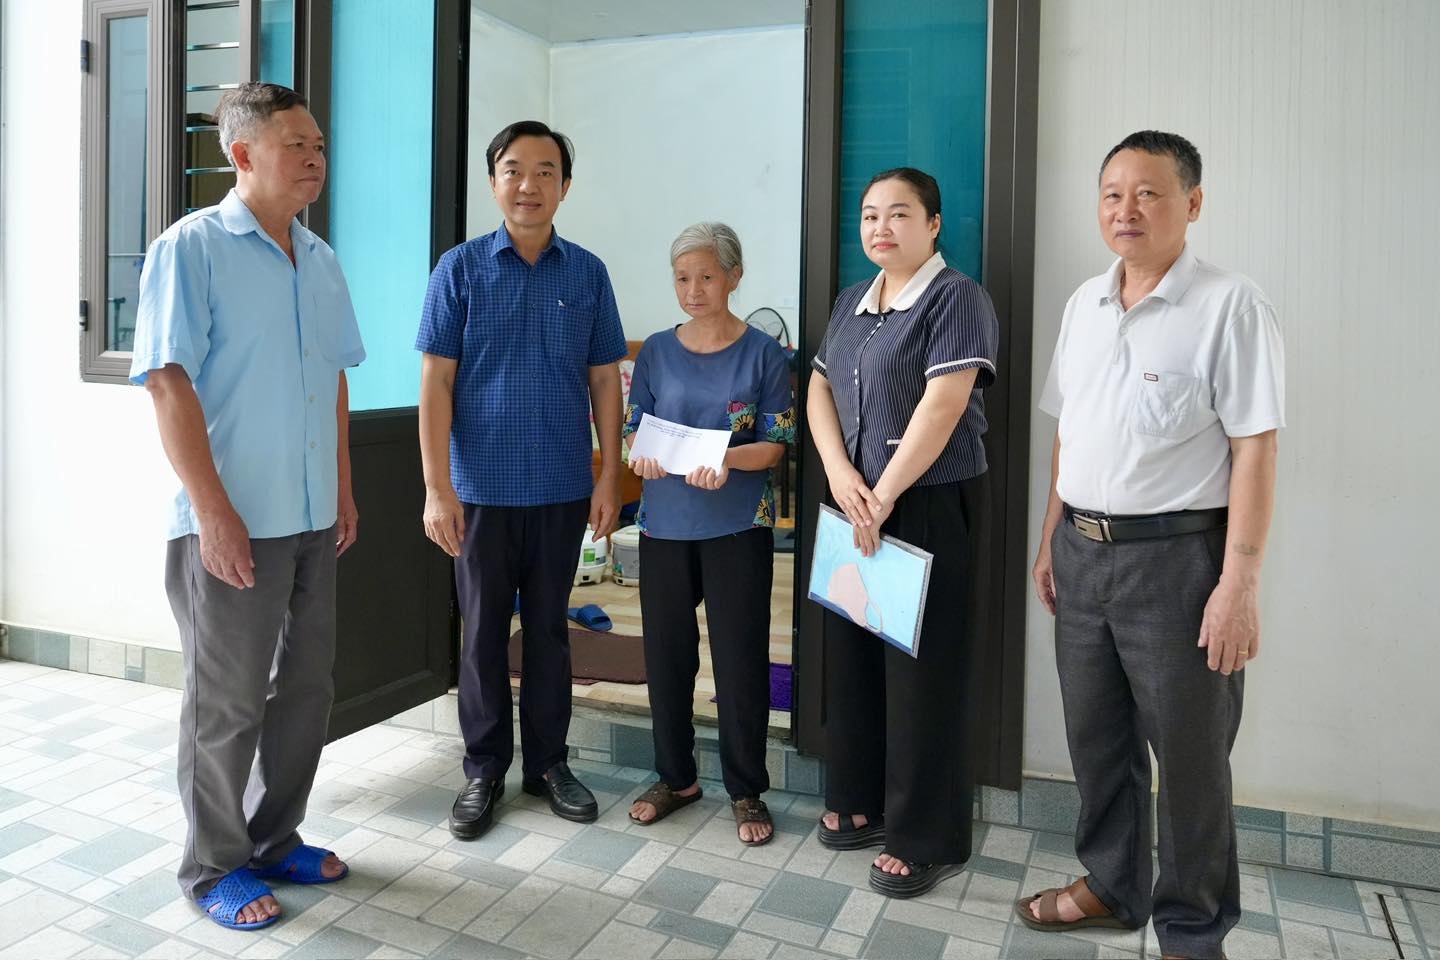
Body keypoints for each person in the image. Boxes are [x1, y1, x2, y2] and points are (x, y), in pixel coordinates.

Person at [1020, 131, 1283, 960]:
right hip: (1082, 552)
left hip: (1179, 564)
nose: (1125, 210)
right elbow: (1070, 435)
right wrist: (1051, 536)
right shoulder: (1084, 304)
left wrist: (1239, 584)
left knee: (1192, 760)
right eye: (1111, 194)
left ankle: (1194, 930)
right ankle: (1111, 884)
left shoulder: (1231, 306)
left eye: (1147, 193)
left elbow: (1255, 449)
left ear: (1192, 204)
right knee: (1096, 738)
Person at [130, 82, 363, 930]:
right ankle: (212, 866)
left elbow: (332, 380)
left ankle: (274, 838)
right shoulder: (192, 248)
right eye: (296, 144)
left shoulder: (321, 258)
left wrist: (342, 487)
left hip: (310, 518)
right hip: (231, 520)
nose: (314, 159)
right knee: (225, 704)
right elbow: (167, 382)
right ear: (242, 154)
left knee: (305, 690)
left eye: (319, 145)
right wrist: (213, 512)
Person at [417, 120, 626, 840]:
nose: (528, 184)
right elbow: (436, 381)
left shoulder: (588, 273)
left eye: (545, 172)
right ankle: (483, 770)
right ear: (493, 182)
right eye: (513, 170)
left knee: (549, 632)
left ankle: (548, 765)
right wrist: (436, 487)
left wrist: (609, 476)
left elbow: (605, 381)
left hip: (563, 487)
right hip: (478, 492)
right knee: (480, 635)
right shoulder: (460, 269)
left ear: (565, 186)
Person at [808, 167, 998, 898]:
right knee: (854, 658)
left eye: (898, 213)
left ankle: (926, 836)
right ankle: (860, 800)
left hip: (925, 502)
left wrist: (883, 495)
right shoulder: (851, 301)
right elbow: (819, 385)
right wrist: (839, 474)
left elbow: (943, 405)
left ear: (934, 223)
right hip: (854, 500)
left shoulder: (957, 297)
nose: (880, 227)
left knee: (924, 675)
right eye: (869, 215)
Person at [622, 223, 795, 845]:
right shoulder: (655, 352)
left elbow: (775, 445)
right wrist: (638, 455)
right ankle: (676, 779)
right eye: (682, 278)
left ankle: (746, 790)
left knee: (740, 660)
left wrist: (726, 459)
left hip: (737, 526)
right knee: (666, 658)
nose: (693, 290)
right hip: (664, 525)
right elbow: (634, 430)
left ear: (734, 277)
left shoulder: (766, 355)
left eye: (706, 277)